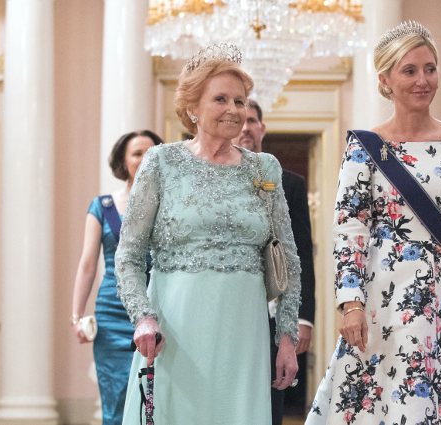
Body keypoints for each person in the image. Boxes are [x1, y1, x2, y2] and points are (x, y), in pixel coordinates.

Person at [305, 21, 441, 425]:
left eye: (430, 68)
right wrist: (351, 305)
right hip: (389, 293)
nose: (423, 80)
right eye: (410, 70)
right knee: (394, 398)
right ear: (385, 80)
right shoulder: (365, 148)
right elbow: (350, 229)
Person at [114, 42, 301, 424]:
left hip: (243, 329)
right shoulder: (161, 162)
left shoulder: (265, 169)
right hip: (175, 329)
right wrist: (143, 318)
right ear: (192, 108)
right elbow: (129, 255)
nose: (234, 110)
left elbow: (290, 262)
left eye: (240, 100)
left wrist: (285, 338)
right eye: (221, 99)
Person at [71, 130, 162, 425]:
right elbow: (87, 264)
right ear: (124, 160)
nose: (144, 158)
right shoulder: (103, 206)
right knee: (116, 395)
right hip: (111, 313)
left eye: (151, 152)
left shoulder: (168, 205)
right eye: (137, 153)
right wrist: (77, 316)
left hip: (158, 309)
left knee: (156, 397)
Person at [235, 99, 316, 425]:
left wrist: (303, 318)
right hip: (224, 304)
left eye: (252, 121)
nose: (245, 128)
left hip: (271, 314)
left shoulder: (290, 183)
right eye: (240, 120)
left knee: (268, 405)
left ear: (262, 128)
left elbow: (301, 255)